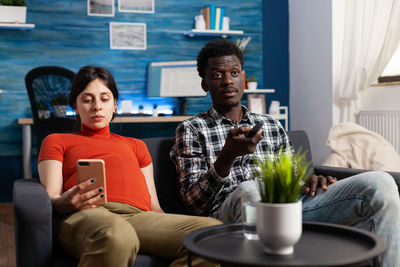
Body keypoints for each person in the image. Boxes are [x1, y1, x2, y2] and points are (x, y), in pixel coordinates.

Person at [170, 39, 400, 266]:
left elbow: (292, 179)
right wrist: (227, 155)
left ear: (243, 77)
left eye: (234, 72)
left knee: (380, 181)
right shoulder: (191, 129)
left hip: (287, 208)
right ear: (205, 83)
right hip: (231, 215)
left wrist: (308, 181)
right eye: (217, 75)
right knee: (251, 189)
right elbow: (194, 204)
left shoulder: (270, 124)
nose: (228, 81)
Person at [38, 65, 221, 267]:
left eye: (105, 99)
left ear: (115, 104)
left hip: (139, 217)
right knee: (117, 234)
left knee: (213, 234)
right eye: (87, 100)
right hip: (85, 214)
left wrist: (167, 226)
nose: (97, 106)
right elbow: (51, 198)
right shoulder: (56, 140)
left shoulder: (136, 146)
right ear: (75, 105)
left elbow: (154, 206)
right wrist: (64, 202)